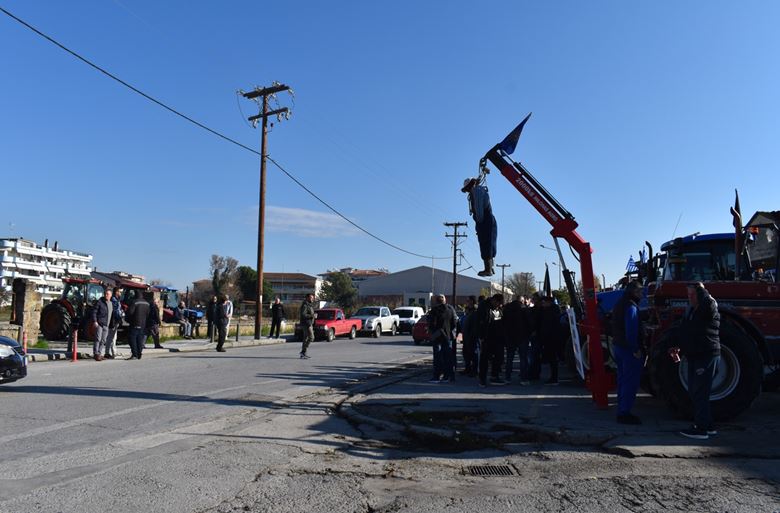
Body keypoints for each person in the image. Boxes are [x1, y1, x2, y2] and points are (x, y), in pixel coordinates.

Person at [672, 282, 721, 440]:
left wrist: (703, 292)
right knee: (695, 391)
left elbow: (707, 311)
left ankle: (701, 429)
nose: (690, 298)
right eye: (688, 295)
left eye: (693, 294)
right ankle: (708, 425)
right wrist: (678, 346)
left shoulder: (708, 305)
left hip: (706, 354)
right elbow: (686, 330)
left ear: (701, 293)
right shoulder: (691, 309)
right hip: (695, 354)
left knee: (700, 392)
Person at [611, 280, 644, 424]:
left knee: (622, 380)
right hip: (628, 349)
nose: (642, 294)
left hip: (618, 346)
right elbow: (631, 331)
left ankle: (621, 408)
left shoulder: (619, 303)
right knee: (630, 381)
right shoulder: (631, 307)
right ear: (634, 292)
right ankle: (624, 413)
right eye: (640, 291)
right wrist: (635, 349)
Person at [462, 178, 497, 277]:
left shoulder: (476, 191)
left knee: (486, 244)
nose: (467, 191)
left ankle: (488, 269)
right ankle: (490, 268)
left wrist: (479, 224)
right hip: (488, 220)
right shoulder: (480, 190)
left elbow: (479, 211)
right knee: (490, 244)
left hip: (485, 221)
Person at [503, 296, 532, 384]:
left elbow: (503, 322)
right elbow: (530, 322)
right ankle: (523, 378)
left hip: (510, 336)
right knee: (523, 358)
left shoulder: (507, 308)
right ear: (522, 301)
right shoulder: (524, 309)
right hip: (522, 336)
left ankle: (507, 378)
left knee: (509, 358)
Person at [478, 294, 506, 386]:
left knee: (498, 357)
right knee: (485, 359)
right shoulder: (484, 308)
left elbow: (500, 321)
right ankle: (482, 379)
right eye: (498, 303)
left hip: (497, 338)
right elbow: (480, 323)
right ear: (494, 300)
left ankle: (494, 376)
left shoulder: (498, 309)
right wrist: (481, 337)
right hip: (487, 337)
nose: (499, 305)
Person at [428, 294, 457, 383]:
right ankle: (448, 376)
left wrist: (432, 332)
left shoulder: (434, 311)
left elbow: (431, 324)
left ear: (436, 302)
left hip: (437, 337)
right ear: (444, 301)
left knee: (438, 357)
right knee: (448, 357)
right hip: (447, 336)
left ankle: (437, 376)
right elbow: (454, 323)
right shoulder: (450, 310)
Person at [538, 296, 564, 386]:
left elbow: (547, 326)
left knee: (552, 358)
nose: (542, 304)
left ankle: (554, 378)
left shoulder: (550, 312)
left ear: (548, 302)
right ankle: (554, 377)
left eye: (544, 302)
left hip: (551, 338)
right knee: (552, 359)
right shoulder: (554, 310)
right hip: (553, 338)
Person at [126, 291, 150, 360]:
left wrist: (128, 319)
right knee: (140, 339)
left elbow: (130, 312)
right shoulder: (147, 303)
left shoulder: (134, 302)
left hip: (134, 323)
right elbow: (148, 314)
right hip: (143, 324)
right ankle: (139, 354)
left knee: (132, 339)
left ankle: (134, 354)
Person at [460, 296, 479, 377]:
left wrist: (472, 336)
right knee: (466, 353)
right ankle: (467, 369)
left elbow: (475, 326)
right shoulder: (469, 311)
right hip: (466, 336)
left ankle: (474, 371)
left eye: (468, 300)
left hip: (472, 337)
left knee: (473, 354)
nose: (466, 302)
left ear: (472, 301)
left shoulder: (475, 311)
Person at [91, 288, 112, 361]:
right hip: (99, 323)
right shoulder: (100, 302)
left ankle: (99, 353)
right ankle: (96, 353)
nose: (106, 295)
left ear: (110, 295)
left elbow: (111, 314)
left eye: (108, 294)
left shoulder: (111, 303)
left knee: (103, 340)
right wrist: (95, 321)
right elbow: (94, 312)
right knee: (98, 339)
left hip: (106, 324)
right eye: (105, 294)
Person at [104, 287, 123, 359]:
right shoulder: (114, 300)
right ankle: (112, 353)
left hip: (113, 320)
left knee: (111, 337)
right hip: (113, 320)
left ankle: (108, 352)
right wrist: (120, 318)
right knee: (112, 337)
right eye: (119, 292)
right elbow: (116, 311)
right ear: (116, 292)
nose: (120, 293)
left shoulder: (115, 300)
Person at [299, 293, 316, 359]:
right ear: (307, 298)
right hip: (306, 323)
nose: (312, 299)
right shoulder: (305, 305)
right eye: (311, 298)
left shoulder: (309, 305)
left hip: (309, 323)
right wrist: (312, 316)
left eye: (313, 298)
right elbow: (303, 314)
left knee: (306, 338)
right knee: (311, 337)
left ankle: (303, 353)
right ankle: (303, 351)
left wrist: (313, 316)